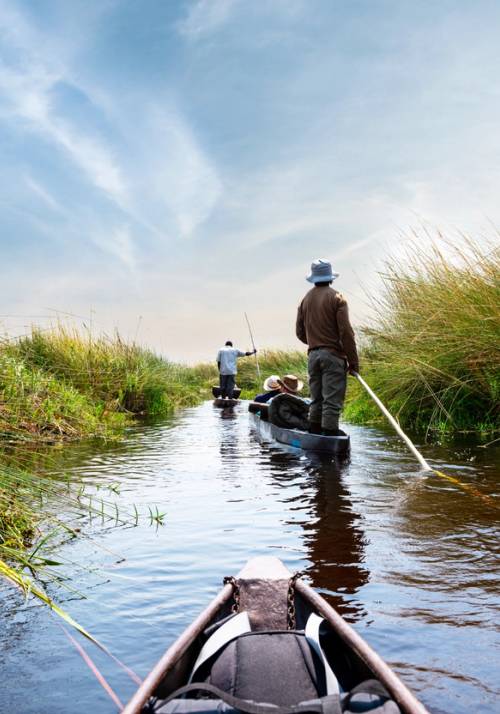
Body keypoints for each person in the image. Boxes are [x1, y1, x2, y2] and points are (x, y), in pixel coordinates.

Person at [296, 258, 359, 436]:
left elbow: (299, 332)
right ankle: (329, 436)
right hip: (333, 356)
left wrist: (316, 344)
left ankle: (314, 434)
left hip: (313, 356)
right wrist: (353, 362)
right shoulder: (338, 298)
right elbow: (346, 332)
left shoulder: (305, 300)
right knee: (332, 401)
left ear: (314, 278)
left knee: (316, 399)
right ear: (330, 277)